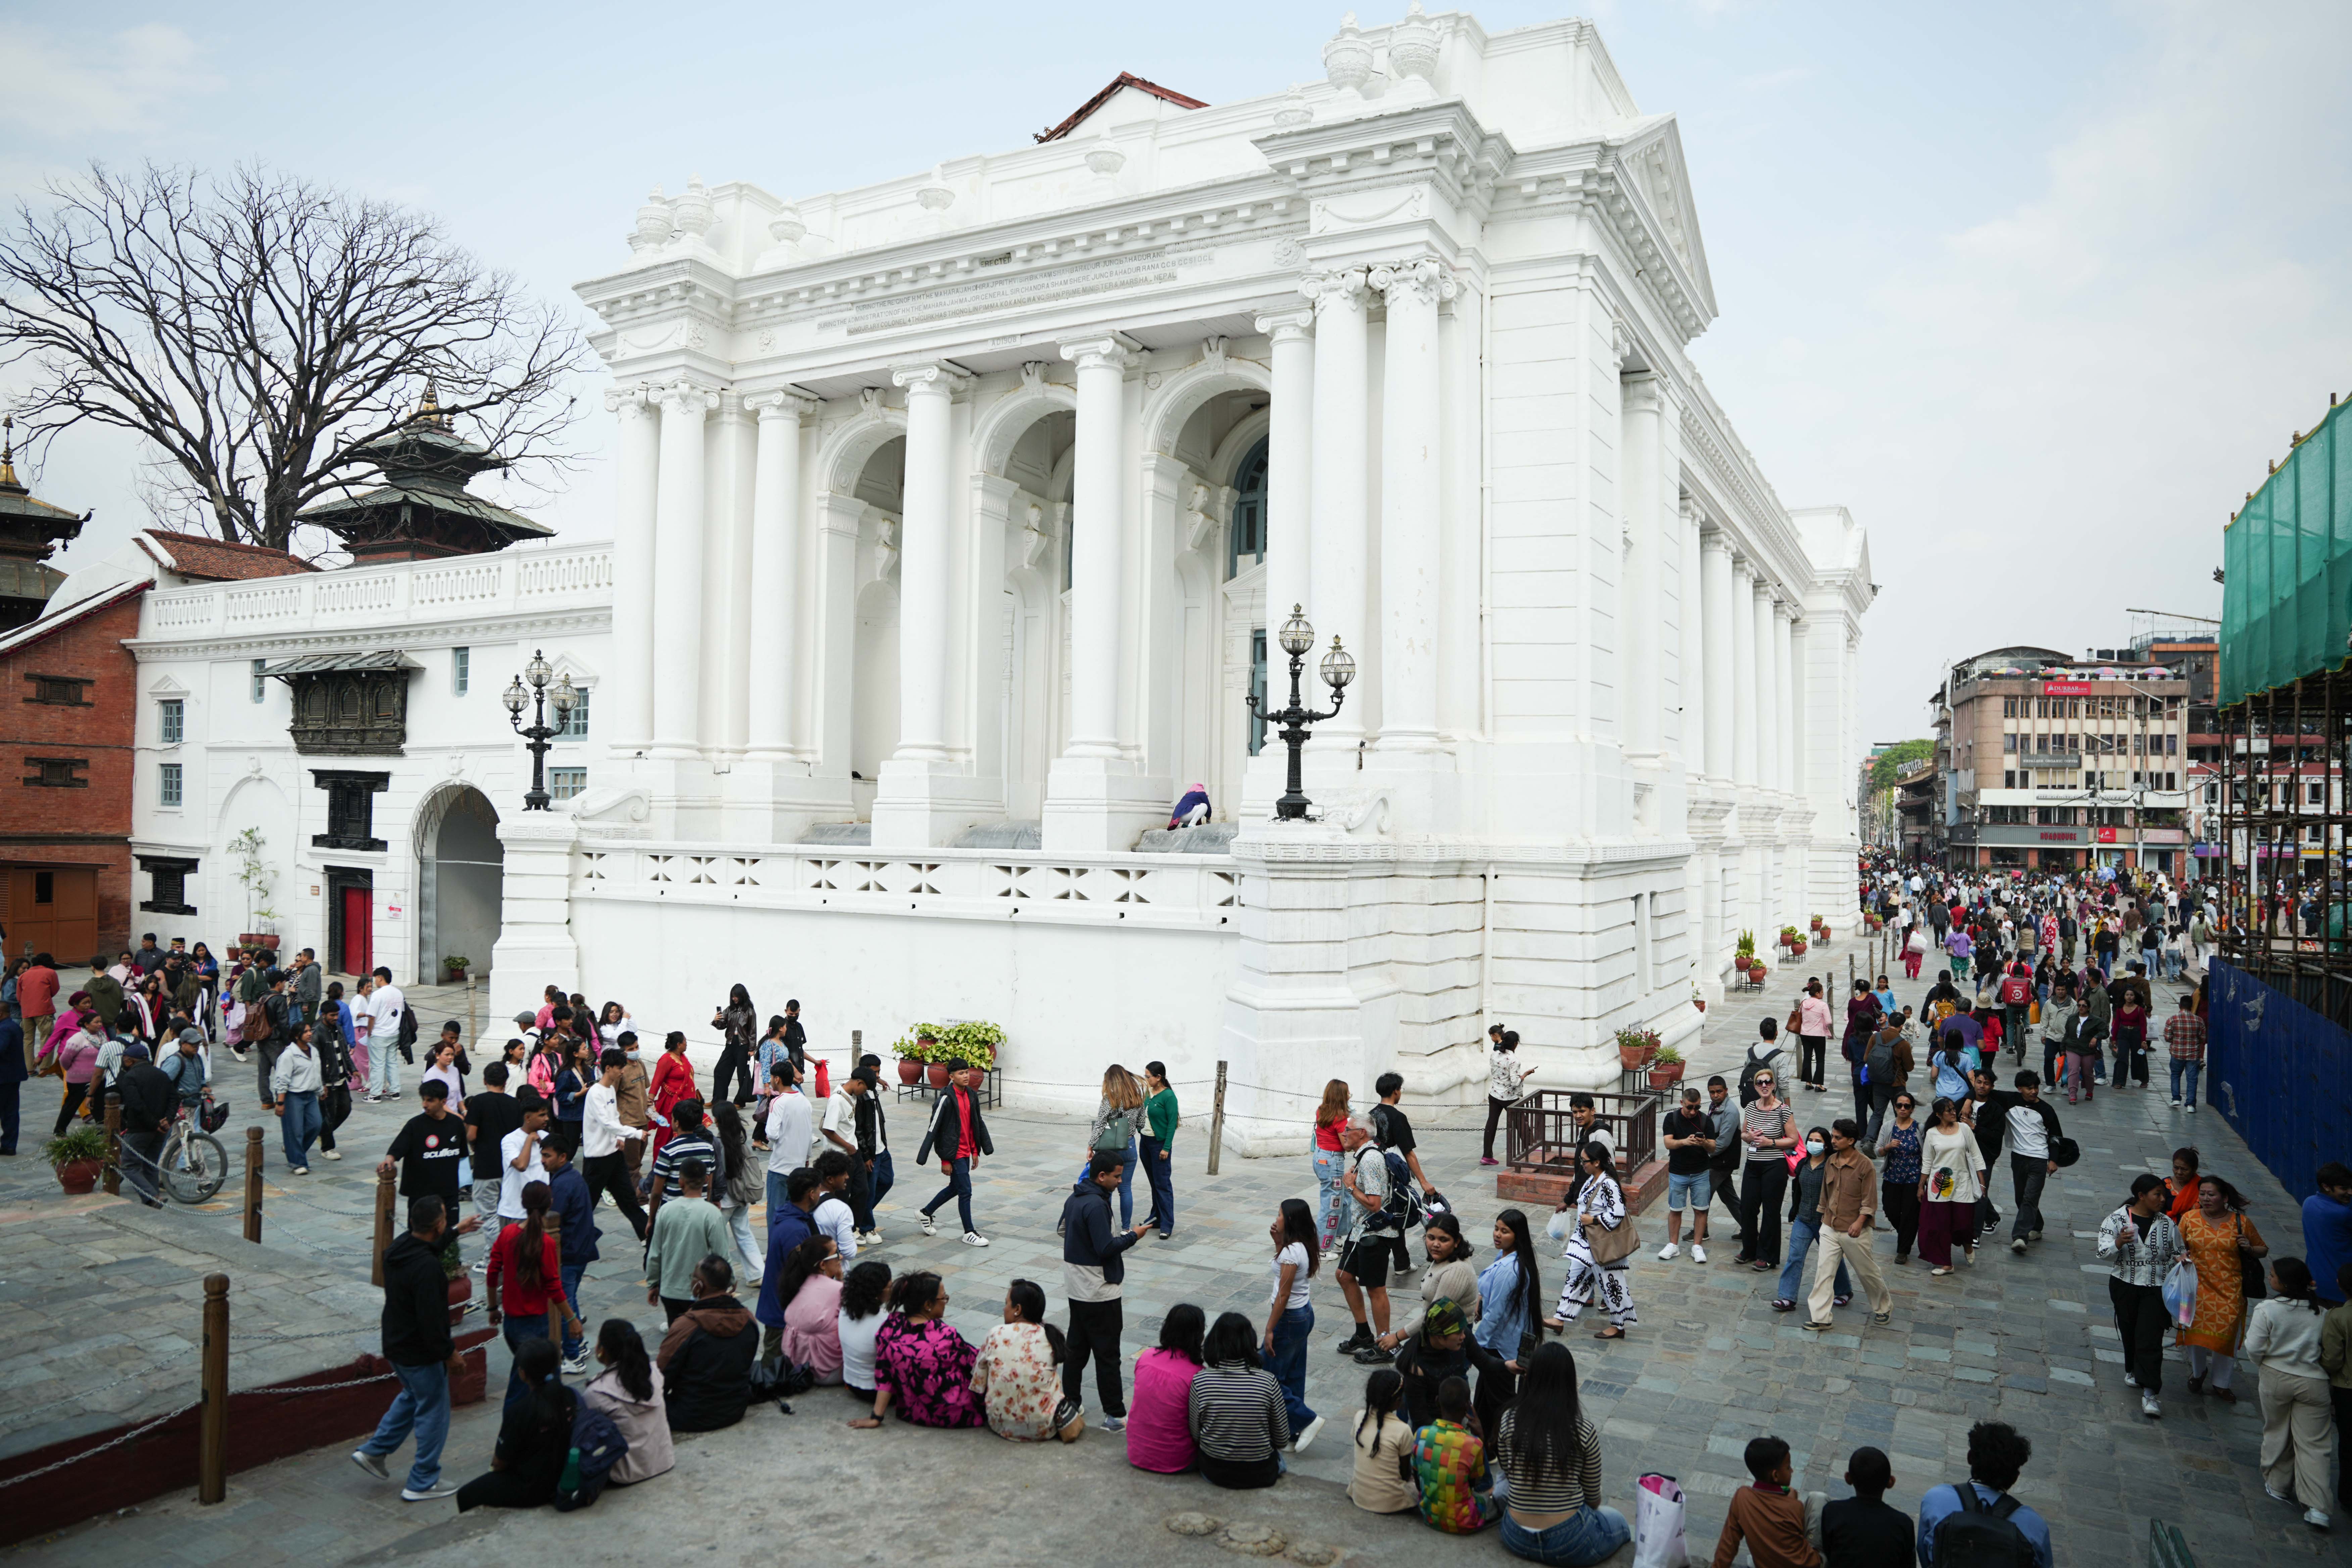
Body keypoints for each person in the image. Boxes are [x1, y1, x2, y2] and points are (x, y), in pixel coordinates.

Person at [350, 1195, 479, 1502]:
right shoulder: (428, 1270)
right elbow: (432, 1322)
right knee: (434, 1410)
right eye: (445, 1219)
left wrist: (457, 1232)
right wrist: (451, 1354)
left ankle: (374, 1451)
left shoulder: (399, 1249)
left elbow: (427, 1246)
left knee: (413, 1396)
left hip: (396, 1343)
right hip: (420, 1351)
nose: (447, 1221)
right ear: (437, 1226)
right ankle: (422, 1480)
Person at [1493, 1340, 1627, 1565]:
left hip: (1515, 1534)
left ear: (1530, 1378)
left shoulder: (1509, 1419)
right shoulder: (1583, 1431)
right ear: (1569, 1383)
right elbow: (1593, 1499)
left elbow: (1508, 1471)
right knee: (1618, 1521)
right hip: (1570, 1541)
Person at [1062, 1146, 1150, 1429]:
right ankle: (1115, 1414)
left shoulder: (1076, 1198)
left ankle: (1071, 1403)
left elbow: (1064, 1231)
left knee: (1076, 1348)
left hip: (1076, 1286)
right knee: (1107, 1354)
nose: (1120, 1182)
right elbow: (1106, 1248)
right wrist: (1132, 1236)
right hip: (1100, 1291)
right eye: (1117, 1176)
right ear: (1101, 1177)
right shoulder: (1097, 1205)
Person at [2246, 1257, 2335, 1530]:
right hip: (2314, 1382)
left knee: (2277, 1431)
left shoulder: (2268, 1309)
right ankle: (2318, 1507)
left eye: (2272, 1275)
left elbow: (2254, 1347)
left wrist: (2265, 1365)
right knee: (2315, 1445)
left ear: (2283, 1283)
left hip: (2276, 1377)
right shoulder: (2321, 1313)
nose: (2269, 1278)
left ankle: (2278, 1484)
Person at [485, 1180, 582, 1416]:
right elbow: (554, 1287)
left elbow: (492, 1271)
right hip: (536, 1325)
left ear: (523, 1204)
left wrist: (493, 1307)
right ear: (550, 1203)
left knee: (527, 1379)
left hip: (511, 1323)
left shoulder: (508, 1234)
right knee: (537, 1382)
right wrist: (572, 1319)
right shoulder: (546, 1243)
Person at [2099, 1173, 2185, 1420]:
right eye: (2157, 1195)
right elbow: (2102, 1252)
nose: (2162, 1199)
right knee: (2130, 1330)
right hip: (2124, 1285)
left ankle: (2150, 1392)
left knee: (2150, 1337)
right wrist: (2118, 1242)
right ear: (2141, 1196)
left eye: (2163, 1195)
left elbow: (2178, 1251)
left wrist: (2182, 1260)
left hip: (2156, 1288)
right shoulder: (2116, 1219)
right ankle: (2133, 1369)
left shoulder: (2168, 1225)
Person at [453, 1337, 572, 1514]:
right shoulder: (570, 1395)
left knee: (465, 1495)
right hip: (562, 1474)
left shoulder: (519, 1411)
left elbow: (500, 1463)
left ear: (523, 1374)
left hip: (532, 1487)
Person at [852, 1271, 984, 1429]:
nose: (945, 1302)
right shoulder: (946, 1336)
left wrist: (877, 1417)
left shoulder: (890, 1329)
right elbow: (976, 1363)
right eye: (944, 1298)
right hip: (954, 1413)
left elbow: (885, 1376)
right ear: (928, 1305)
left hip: (912, 1413)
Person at [2179, 1173, 2268, 1405]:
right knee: (2194, 1336)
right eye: (2203, 1194)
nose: (2206, 1199)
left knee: (2226, 1338)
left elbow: (2263, 1249)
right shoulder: (2189, 1219)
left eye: (2212, 1194)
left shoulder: (2241, 1223)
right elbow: (2178, 1247)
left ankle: (2222, 1384)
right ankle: (2198, 1373)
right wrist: (2181, 1257)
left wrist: (2249, 1248)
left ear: (2225, 1198)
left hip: (2230, 1290)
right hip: (2194, 1287)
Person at [1915, 1421, 2053, 1568]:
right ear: (2015, 1477)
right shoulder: (2034, 1526)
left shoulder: (1936, 1499)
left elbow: (1925, 1554)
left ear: (1970, 1458)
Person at [1188, 1310, 1291, 1488]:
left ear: (1214, 1342)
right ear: (1250, 1342)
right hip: (1261, 1474)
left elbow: (1196, 1435)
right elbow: (1282, 1439)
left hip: (1214, 1471)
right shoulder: (1268, 1381)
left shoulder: (1201, 1380)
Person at [1808, 1121, 1895, 1331]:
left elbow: (1870, 1202)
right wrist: (1822, 1215)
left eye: (1838, 1138)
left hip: (1855, 1230)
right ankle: (1821, 1318)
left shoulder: (1865, 1166)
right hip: (1830, 1226)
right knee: (1824, 1273)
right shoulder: (1831, 1162)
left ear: (1851, 1141)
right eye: (1833, 1136)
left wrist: (1859, 1223)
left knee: (1867, 1273)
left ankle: (1884, 1307)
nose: (1834, 1141)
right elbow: (1825, 1193)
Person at [657, 1254, 757, 1431]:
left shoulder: (686, 1326)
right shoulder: (749, 1320)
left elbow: (662, 1375)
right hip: (735, 1409)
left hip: (691, 1415)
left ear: (699, 1286)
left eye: (692, 1278)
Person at [1549, 1141, 1635, 1338]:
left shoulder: (1608, 1184)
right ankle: (1560, 1319)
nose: (1582, 1164)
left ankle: (1618, 1326)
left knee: (1611, 1285)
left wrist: (1594, 1219)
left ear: (1597, 1163)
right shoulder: (1592, 1179)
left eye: (1584, 1161)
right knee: (1575, 1278)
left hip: (1602, 1245)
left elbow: (1618, 1214)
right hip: (1586, 1244)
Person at [1334, 1116, 1397, 1360]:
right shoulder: (1365, 1154)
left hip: (1375, 1233)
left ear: (1361, 1133)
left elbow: (1375, 1204)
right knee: (1344, 1275)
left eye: (1347, 1131)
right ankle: (1363, 1334)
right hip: (1360, 1230)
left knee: (1376, 1289)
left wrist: (1351, 1187)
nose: (1344, 1135)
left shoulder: (1370, 1159)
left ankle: (1385, 1344)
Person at [1262, 1196, 1323, 1451]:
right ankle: (1292, 1431)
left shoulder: (1291, 1252)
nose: (1276, 1219)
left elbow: (1283, 1295)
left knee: (1269, 1377)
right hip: (1304, 1313)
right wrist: (1278, 1242)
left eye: (1279, 1215)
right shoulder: (1302, 1245)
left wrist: (1269, 1329)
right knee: (1294, 1374)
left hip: (1289, 1319)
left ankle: (1308, 1420)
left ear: (1288, 1220)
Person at [971, 1277, 1065, 1440]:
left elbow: (978, 1385)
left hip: (999, 1423)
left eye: (1007, 1303)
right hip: (1044, 1427)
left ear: (1018, 1309)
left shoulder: (996, 1333)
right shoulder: (1051, 1338)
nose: (1004, 1308)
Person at [582, 1319, 674, 1486]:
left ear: (602, 1350)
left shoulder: (597, 1392)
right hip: (663, 1461)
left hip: (625, 1474)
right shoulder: (654, 1373)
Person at [915, 1056, 994, 1245]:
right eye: (961, 1073)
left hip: (967, 1151)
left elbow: (976, 1124)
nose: (966, 1076)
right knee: (965, 1191)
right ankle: (969, 1232)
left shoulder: (971, 1096)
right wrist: (945, 1160)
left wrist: (976, 1150)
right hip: (954, 1153)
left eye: (967, 1072)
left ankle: (925, 1213)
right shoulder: (945, 1099)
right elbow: (935, 1130)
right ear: (952, 1077)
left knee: (956, 1187)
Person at [1474, 1208, 1540, 1431]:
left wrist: (1476, 1345)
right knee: (1484, 1394)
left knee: (1500, 1401)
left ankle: (1502, 1442)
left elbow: (1495, 1313)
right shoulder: (1506, 1258)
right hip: (1508, 1340)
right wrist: (1481, 1297)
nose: (1498, 1235)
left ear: (1517, 1236)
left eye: (1505, 1231)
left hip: (1500, 1345)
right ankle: (1484, 1439)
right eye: (1496, 1229)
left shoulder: (1509, 1270)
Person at [1774, 1126, 1850, 1314]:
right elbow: (1798, 1191)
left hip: (1825, 1221)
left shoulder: (1832, 1166)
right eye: (1811, 1140)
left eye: (1819, 1141)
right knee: (1795, 1257)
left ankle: (1843, 1291)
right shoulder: (1803, 1164)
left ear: (1826, 1146)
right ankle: (1787, 1298)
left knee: (1832, 1259)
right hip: (1803, 1218)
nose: (1813, 1144)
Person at [1711, 1435, 1820, 1568]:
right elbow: (1797, 1539)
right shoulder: (1794, 1506)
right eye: (1788, 1468)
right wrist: (1790, 1501)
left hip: (1764, 1563)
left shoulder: (1742, 1497)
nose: (1791, 1471)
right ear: (1775, 1476)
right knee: (1818, 1500)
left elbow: (1728, 1543)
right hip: (1807, 1564)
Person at [646, 1161, 734, 1321]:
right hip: (702, 1290)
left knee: (677, 1332)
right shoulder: (712, 1213)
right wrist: (731, 1279)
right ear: (706, 1180)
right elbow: (721, 1254)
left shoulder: (666, 1211)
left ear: (681, 1181)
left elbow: (655, 1253)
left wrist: (653, 1283)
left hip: (670, 1290)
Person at [1413, 1375, 1500, 1533]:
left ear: (1437, 1401)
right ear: (1467, 1407)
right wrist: (1480, 1438)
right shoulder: (1473, 1444)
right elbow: (1476, 1483)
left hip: (1429, 1515)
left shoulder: (1421, 1434)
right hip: (1464, 1522)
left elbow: (1416, 1476)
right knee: (1498, 1499)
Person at [579, 1048, 648, 1242]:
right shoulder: (595, 1093)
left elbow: (615, 1118)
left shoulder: (610, 1090)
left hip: (615, 1155)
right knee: (587, 1204)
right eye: (619, 1068)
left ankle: (648, 1237)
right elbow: (606, 1123)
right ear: (608, 1068)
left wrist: (621, 1139)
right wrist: (635, 1133)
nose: (622, 1072)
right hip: (597, 1159)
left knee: (628, 1200)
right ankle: (575, 1239)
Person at [1735, 1065, 1798, 1270]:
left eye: (1768, 1082)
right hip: (1753, 1165)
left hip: (1774, 1166)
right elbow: (1743, 1134)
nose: (1764, 1086)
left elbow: (1793, 1140)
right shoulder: (1751, 1107)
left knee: (1771, 1212)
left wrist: (1770, 1143)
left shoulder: (1783, 1109)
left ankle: (1768, 1256)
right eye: (1760, 1082)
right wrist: (1749, 1138)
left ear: (1774, 1085)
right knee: (1748, 1208)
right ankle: (1749, 1250)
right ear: (1755, 1086)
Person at [1916, 1098, 1985, 1278]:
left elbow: (1976, 1155)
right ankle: (1947, 1263)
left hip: (1963, 1183)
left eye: (1954, 1109)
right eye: (1949, 1111)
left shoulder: (1964, 1129)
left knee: (1964, 1223)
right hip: (1940, 1186)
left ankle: (1967, 1244)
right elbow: (1928, 1162)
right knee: (1941, 1227)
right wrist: (1921, 1185)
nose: (1954, 1113)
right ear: (1939, 1115)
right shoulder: (1931, 1134)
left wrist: (1982, 1182)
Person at [822, 1067, 889, 1244]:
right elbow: (827, 1130)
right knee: (843, 1195)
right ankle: (842, 1231)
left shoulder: (853, 1095)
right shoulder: (837, 1100)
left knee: (863, 1191)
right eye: (865, 1089)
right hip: (841, 1155)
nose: (864, 1093)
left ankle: (852, 1227)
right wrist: (848, 1147)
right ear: (858, 1083)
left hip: (854, 1152)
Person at [1076, 1062, 1147, 1229]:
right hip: (1129, 1145)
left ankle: (1104, 1226)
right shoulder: (1137, 1096)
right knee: (1126, 1189)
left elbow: (1101, 1124)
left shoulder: (1110, 1098)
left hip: (1110, 1149)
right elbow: (1142, 1123)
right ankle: (1126, 1229)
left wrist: (1091, 1146)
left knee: (1105, 1189)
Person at [1821, 1447, 1914, 1567]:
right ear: (1891, 1482)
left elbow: (1828, 1550)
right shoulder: (1904, 1524)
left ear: (1848, 1478)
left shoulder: (1833, 1512)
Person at [776, 1235, 846, 1385]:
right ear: (822, 1265)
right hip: (828, 1372)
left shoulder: (799, 1284)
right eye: (836, 1253)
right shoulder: (837, 1289)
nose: (841, 1256)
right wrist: (841, 1281)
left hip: (798, 1366)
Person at [708, 1100, 765, 1283]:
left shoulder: (718, 1144)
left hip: (724, 1201)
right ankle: (757, 1274)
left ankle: (723, 1278)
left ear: (718, 1121)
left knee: (716, 1240)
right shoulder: (741, 1140)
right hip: (742, 1197)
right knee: (744, 1234)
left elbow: (718, 1175)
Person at [1348, 1367, 1416, 1514]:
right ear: (1398, 1401)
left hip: (1359, 1496)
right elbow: (1405, 1475)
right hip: (1390, 1503)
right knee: (1419, 1485)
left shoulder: (1360, 1417)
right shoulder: (1403, 1430)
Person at [1658, 1085, 1714, 1262]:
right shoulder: (1672, 1118)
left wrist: (1704, 1142)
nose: (1693, 1111)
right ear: (1682, 1103)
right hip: (1678, 1172)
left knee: (1701, 1210)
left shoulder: (1706, 1120)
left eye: (1697, 1107)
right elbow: (1668, 1143)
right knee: (1676, 1209)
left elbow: (1713, 1147)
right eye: (1690, 1107)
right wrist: (1685, 1142)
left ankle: (1697, 1247)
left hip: (1701, 1172)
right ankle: (1673, 1245)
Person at [762, 1060, 815, 1216]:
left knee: (776, 1215)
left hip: (780, 1168)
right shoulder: (804, 1101)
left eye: (772, 1077)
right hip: (798, 1168)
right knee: (794, 1214)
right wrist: (807, 1158)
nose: (771, 1081)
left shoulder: (778, 1102)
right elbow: (809, 1134)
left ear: (777, 1079)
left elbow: (772, 1133)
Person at [837, 1259, 892, 1405]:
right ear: (879, 1292)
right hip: (873, 1390)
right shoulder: (885, 1321)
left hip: (850, 1381)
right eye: (889, 1287)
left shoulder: (845, 1310)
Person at [1481, 1026, 1537, 1166]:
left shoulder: (1495, 1054)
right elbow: (1515, 1082)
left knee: (1492, 1124)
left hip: (1494, 1094)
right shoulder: (1514, 1061)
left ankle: (1487, 1156)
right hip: (1509, 1097)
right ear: (1516, 1044)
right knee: (1522, 1124)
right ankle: (1531, 1151)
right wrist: (1525, 1075)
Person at [1139, 1059, 1180, 1237]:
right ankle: (1156, 1217)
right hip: (1145, 1142)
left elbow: (1172, 1124)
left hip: (1159, 1145)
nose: (1146, 1079)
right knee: (1154, 1183)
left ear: (1159, 1077)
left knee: (1163, 1184)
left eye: (1148, 1076)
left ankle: (1167, 1223)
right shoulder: (1148, 1093)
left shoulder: (1168, 1097)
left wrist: (1167, 1147)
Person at [1312, 1078, 1352, 1251]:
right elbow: (1347, 1146)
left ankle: (1339, 1238)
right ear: (1342, 1096)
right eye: (1348, 1093)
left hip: (1320, 1157)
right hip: (1333, 1162)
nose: (1350, 1095)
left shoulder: (1322, 1111)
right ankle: (1323, 1248)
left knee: (1345, 1199)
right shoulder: (1341, 1119)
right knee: (1331, 1207)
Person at [647, 1031, 697, 1165]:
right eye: (685, 1041)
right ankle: (658, 1167)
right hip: (671, 1104)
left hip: (686, 1104)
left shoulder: (682, 1057)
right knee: (665, 1135)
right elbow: (657, 1081)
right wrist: (650, 1101)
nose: (687, 1044)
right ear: (679, 1044)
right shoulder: (666, 1060)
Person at [2308, 1164, 2352, 1308]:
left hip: (2315, 1280)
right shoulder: (2343, 1214)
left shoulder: (2309, 1203)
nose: (2350, 1192)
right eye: (2344, 1189)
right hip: (2341, 1287)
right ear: (2327, 1187)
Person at [709, 982, 757, 1108]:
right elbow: (722, 1025)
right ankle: (718, 1100)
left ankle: (740, 1101)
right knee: (720, 1070)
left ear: (742, 996)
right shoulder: (730, 1010)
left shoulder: (750, 1012)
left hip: (743, 1045)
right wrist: (716, 1021)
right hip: (730, 1044)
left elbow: (753, 1030)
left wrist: (752, 1049)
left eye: (736, 996)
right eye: (732, 996)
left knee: (742, 1075)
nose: (734, 999)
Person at [2164, 992, 2206, 1110]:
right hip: (2193, 1055)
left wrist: (2176, 1040)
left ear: (2180, 1005)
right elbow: (2203, 1038)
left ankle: (2176, 1099)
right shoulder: (2199, 1020)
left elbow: (2167, 1037)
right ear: (2192, 1006)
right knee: (2192, 1079)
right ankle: (2191, 1105)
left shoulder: (2172, 1019)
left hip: (2177, 1053)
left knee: (2176, 1075)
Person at [1796, 978, 1833, 1094]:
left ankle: (1808, 1083)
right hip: (1818, 1034)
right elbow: (1829, 1022)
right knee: (1820, 1059)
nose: (1823, 994)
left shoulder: (1804, 1003)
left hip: (1805, 1034)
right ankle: (1819, 1084)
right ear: (1817, 993)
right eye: (1822, 992)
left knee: (1807, 1057)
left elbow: (1800, 1015)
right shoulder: (1822, 1005)